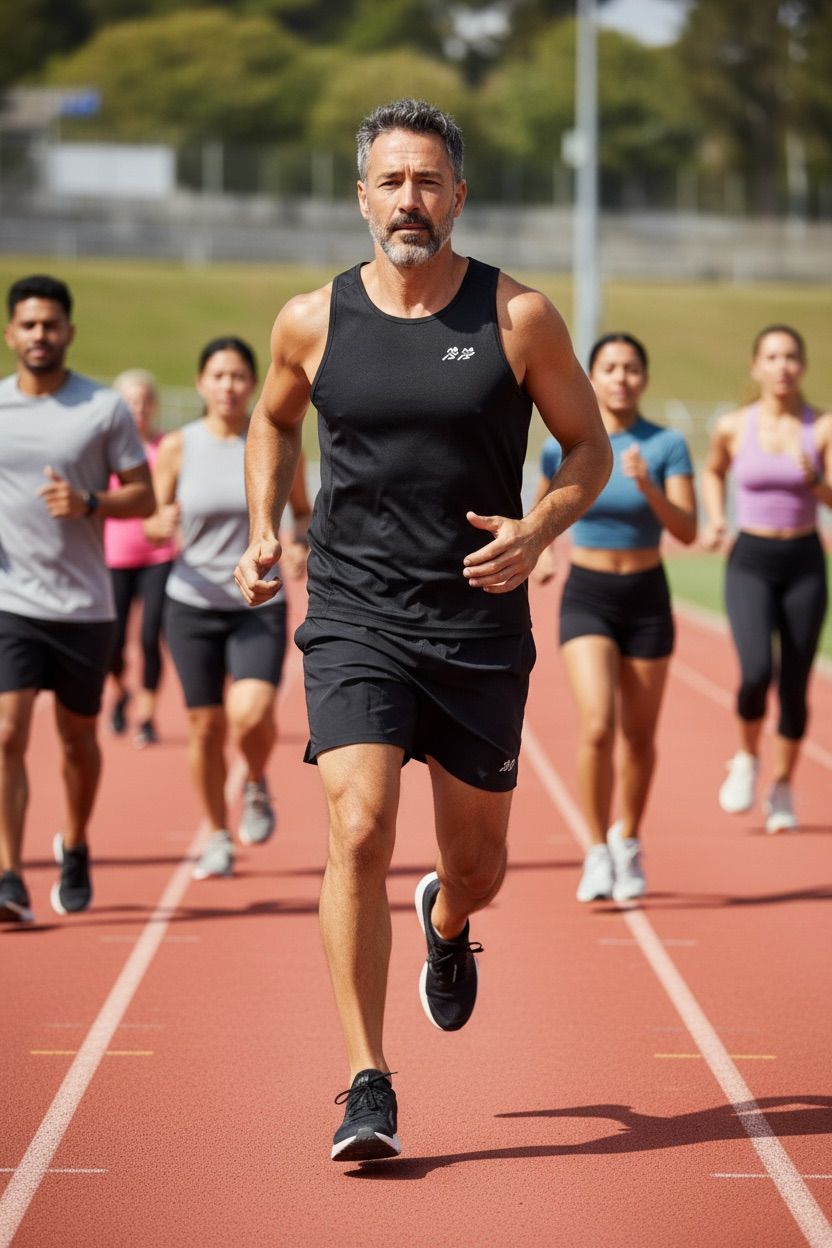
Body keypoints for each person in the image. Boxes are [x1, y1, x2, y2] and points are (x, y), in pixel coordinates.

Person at [234, 98, 611, 1162]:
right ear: (362, 197)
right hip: (354, 611)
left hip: (477, 624)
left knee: (478, 862)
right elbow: (272, 419)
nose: (410, 199)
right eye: (391, 181)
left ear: (458, 194)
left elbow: (588, 451)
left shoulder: (517, 316)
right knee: (355, 828)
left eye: (428, 180)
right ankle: (367, 1080)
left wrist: (539, 526)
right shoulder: (310, 319)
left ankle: (447, 923)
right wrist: (267, 526)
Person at [0, 275, 154, 923]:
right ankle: (9, 874)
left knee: (75, 740)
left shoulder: (103, 409)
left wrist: (89, 502)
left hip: (84, 606)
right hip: (12, 601)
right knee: (6, 733)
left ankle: (77, 843)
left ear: (68, 332)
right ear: (11, 334)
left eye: (50, 324)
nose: (40, 335)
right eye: (28, 325)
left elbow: (143, 497)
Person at [533, 333, 696, 903]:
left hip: (648, 595)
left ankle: (629, 841)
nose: (621, 377)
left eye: (631, 368)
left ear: (643, 378)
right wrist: (544, 552)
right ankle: (597, 849)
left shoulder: (667, 444)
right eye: (610, 368)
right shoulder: (565, 446)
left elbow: (687, 529)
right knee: (599, 725)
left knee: (640, 735)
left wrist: (648, 486)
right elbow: (542, 511)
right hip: (590, 595)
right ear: (593, 378)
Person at [150, 336, 312, 881]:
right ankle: (217, 834)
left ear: (254, 384)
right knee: (204, 726)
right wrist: (159, 526)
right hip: (191, 603)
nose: (228, 386)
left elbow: (303, 515)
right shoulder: (178, 446)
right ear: (200, 384)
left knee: (251, 712)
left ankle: (255, 781)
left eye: (239, 376)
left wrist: (300, 548)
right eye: (217, 376)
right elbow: (150, 520)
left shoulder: (273, 441)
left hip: (257, 601)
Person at [702, 325, 831, 832]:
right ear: (756, 367)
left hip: (803, 560)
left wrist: (816, 480)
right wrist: (716, 517)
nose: (782, 366)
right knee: (756, 671)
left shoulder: (821, 428)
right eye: (772, 357)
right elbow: (713, 471)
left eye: (791, 357)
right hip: (750, 557)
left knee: (796, 686)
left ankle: (781, 787)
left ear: (802, 365)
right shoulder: (734, 425)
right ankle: (747, 757)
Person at [104, 369, 178, 748]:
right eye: (130, 401)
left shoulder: (166, 447)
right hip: (114, 556)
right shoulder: (107, 449)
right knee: (113, 643)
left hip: (159, 555)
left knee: (150, 637)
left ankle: (147, 715)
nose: (139, 408)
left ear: (154, 405)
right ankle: (121, 693)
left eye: (145, 401)